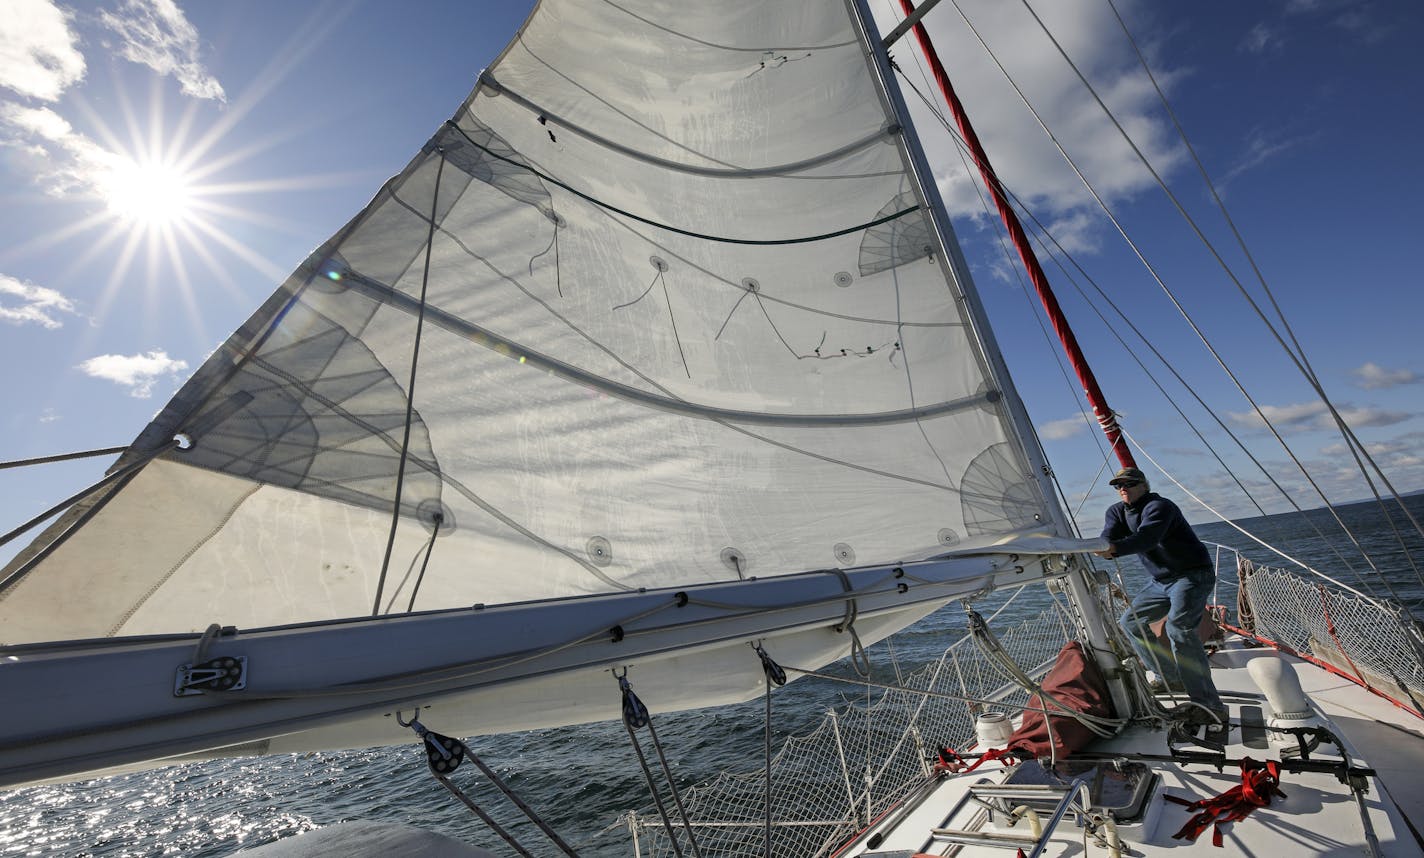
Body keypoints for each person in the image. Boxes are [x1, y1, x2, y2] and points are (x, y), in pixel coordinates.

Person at [1095, 467, 1226, 729]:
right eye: (1118, 485)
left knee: (1180, 630)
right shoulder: (1117, 511)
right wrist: (1105, 545)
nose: (1123, 488)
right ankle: (1170, 677)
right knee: (1131, 622)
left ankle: (1209, 705)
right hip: (1161, 582)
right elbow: (1108, 535)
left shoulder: (1159, 507)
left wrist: (1115, 549)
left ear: (1144, 485)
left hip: (1191, 575)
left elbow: (1147, 538)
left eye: (1130, 484)